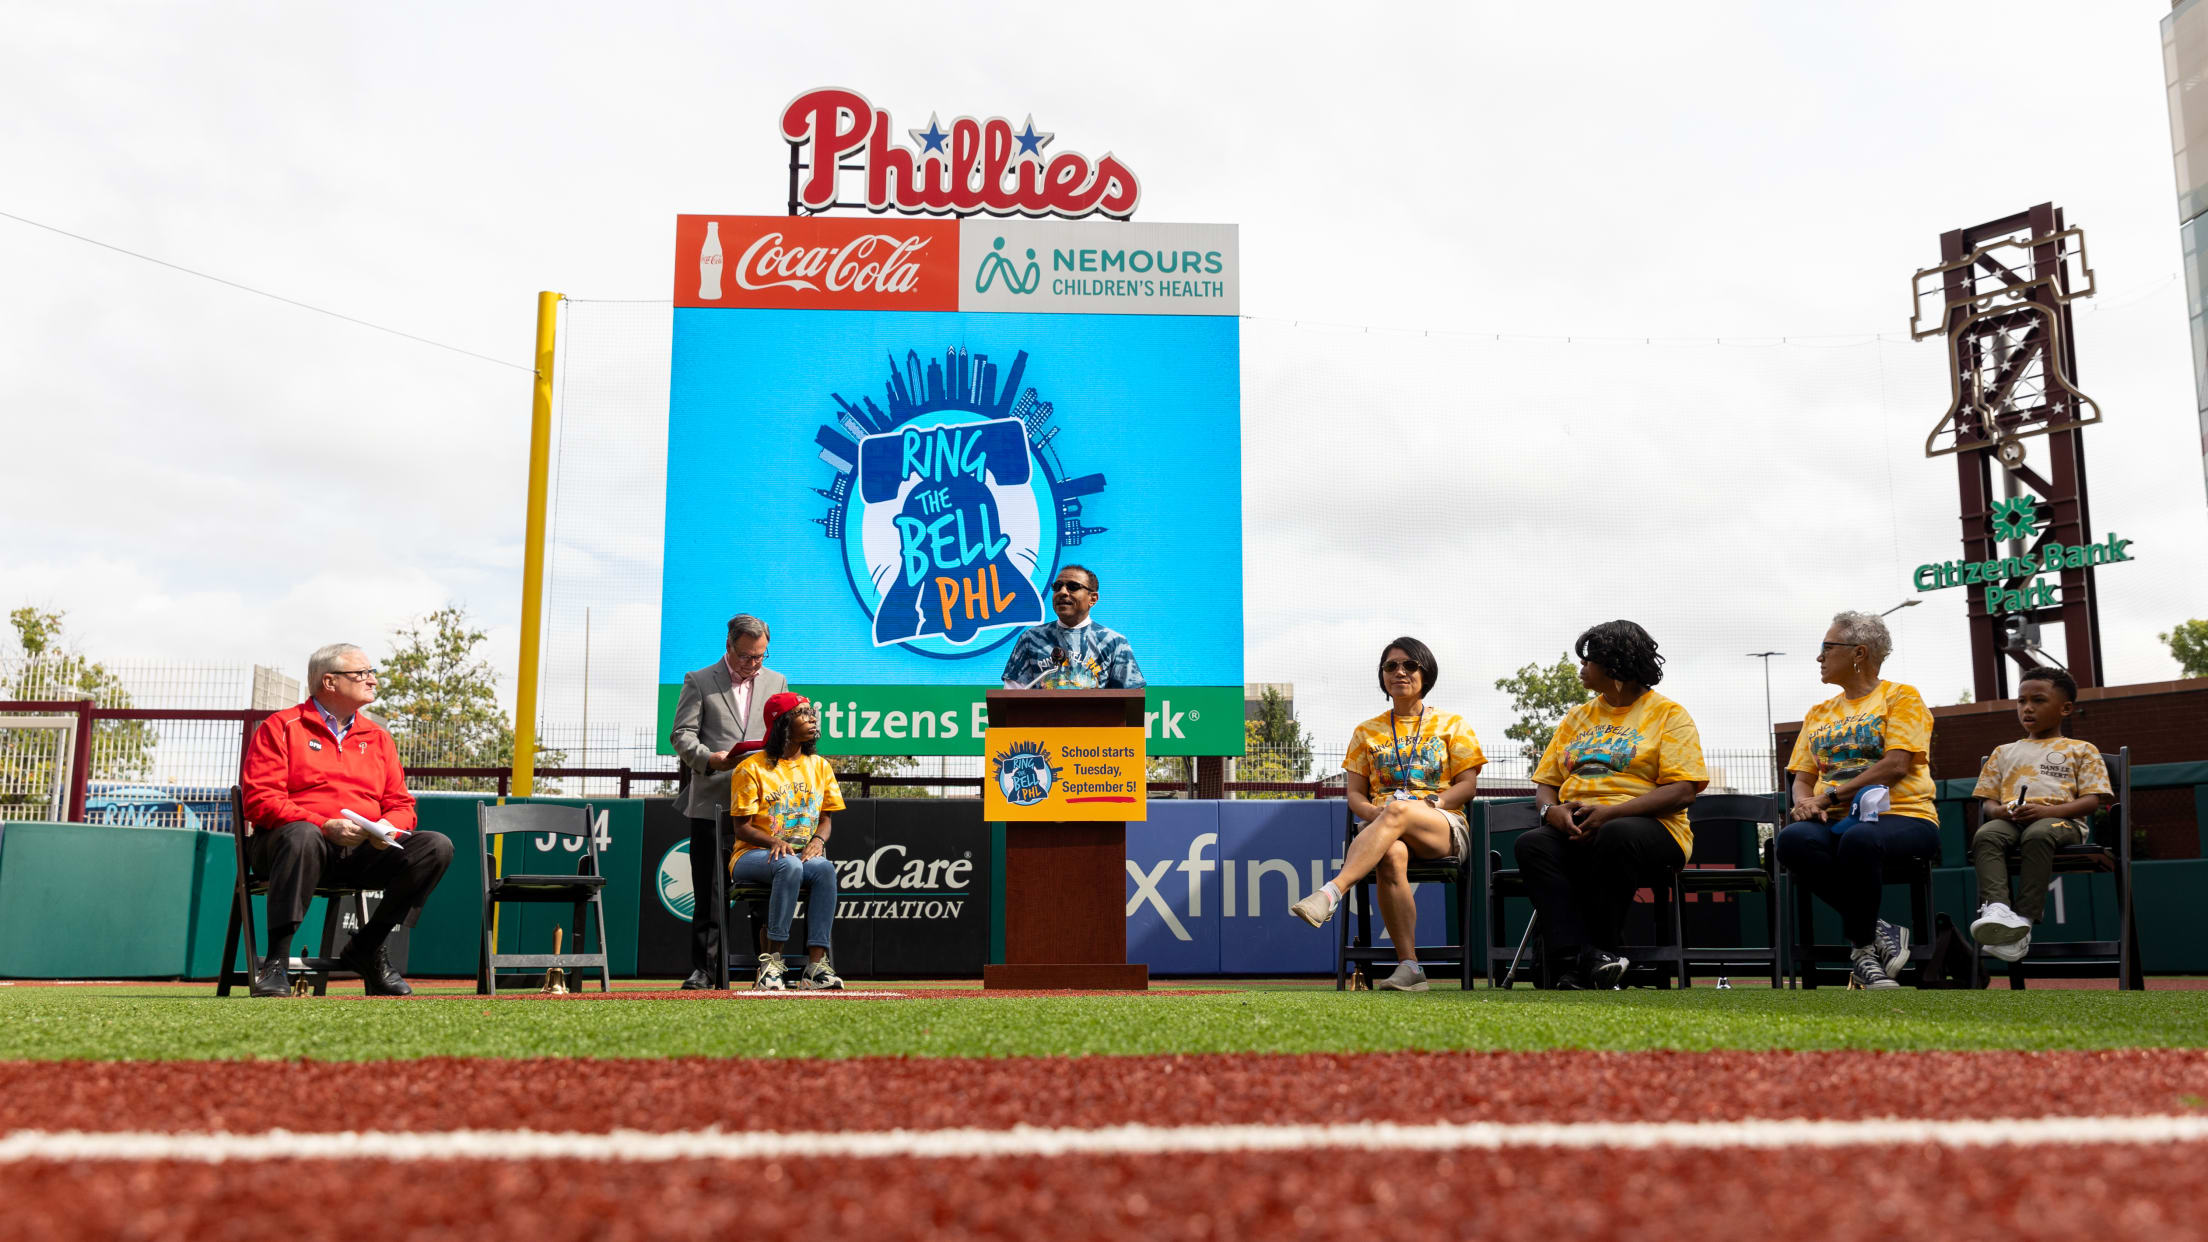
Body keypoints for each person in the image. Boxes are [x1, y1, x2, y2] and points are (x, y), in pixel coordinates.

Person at [238, 642, 453, 998]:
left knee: (435, 846)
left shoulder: (379, 737)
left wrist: (386, 829)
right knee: (303, 835)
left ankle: (368, 946)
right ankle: (275, 963)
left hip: (361, 851)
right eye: (362, 673)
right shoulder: (282, 726)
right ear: (330, 682)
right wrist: (324, 824)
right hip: (288, 846)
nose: (372, 680)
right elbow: (261, 801)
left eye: (371, 673)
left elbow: (401, 804)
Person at [1518, 621, 1708, 989]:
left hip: (1650, 828)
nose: (1582, 668)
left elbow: (1683, 789)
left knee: (1616, 834)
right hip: (1579, 822)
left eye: (1589, 660)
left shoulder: (1669, 714)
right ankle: (1573, 960)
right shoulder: (1577, 717)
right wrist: (1549, 812)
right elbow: (1546, 784)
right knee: (1532, 844)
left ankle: (1598, 951)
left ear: (1616, 665)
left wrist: (1612, 812)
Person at [1288, 637, 1484, 992]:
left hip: (1441, 825)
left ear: (1426, 673)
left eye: (1410, 665)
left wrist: (1432, 804)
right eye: (1391, 666)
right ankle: (1410, 967)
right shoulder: (1366, 732)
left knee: (1397, 811)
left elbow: (1467, 786)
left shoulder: (1453, 724)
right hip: (1385, 826)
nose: (1400, 672)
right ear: (1382, 676)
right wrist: (1379, 814)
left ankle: (1332, 893)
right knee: (1391, 853)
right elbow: (1355, 796)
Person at [1775, 610, 1941, 990]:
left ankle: (1862, 952)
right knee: (1791, 840)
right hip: (1833, 821)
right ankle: (1877, 931)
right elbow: (1803, 778)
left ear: (1859, 653)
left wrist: (1827, 796)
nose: (1819, 657)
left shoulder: (1901, 697)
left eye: (1826, 647)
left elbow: (1896, 765)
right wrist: (1804, 802)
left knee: (1860, 839)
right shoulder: (1818, 713)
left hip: (1905, 816)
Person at [669, 614, 787, 990]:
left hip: (760, 810)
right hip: (711, 804)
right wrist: (707, 759)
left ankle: (766, 970)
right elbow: (681, 734)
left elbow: (784, 737)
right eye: (747, 657)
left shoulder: (777, 682)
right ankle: (705, 970)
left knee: (763, 893)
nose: (754, 665)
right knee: (709, 890)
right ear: (729, 647)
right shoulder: (699, 680)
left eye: (760, 657)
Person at [1968, 666, 2111, 962]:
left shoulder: (2082, 749)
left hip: (2062, 822)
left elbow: (2090, 802)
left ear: (2066, 708)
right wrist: (2004, 811)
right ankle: (1998, 909)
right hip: (2012, 822)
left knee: (2039, 832)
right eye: (2021, 701)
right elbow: (1988, 805)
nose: (2027, 708)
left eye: (2038, 700)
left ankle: (2023, 923)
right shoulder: (2002, 752)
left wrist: (2047, 811)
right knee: (1985, 834)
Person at [729, 692, 845, 991]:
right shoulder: (751, 767)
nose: (812, 718)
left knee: (825, 869)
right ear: (782, 723)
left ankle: (816, 968)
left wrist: (818, 839)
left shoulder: (820, 766)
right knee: (790, 865)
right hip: (751, 856)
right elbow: (741, 827)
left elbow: (827, 818)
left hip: (796, 857)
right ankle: (771, 965)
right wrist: (772, 842)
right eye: (803, 713)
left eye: (812, 712)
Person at [997, 564, 1144, 690]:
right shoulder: (1030, 639)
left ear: (1092, 599)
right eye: (1057, 586)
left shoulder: (1114, 642)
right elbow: (1012, 698)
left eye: (1073, 587)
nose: (1062, 592)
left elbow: (1129, 701)